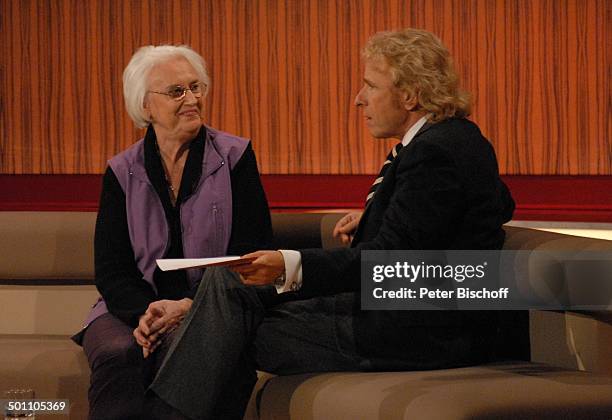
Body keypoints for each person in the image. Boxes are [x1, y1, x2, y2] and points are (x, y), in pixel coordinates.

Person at [146, 28, 515, 419]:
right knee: (228, 289)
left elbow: (388, 261)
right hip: (401, 315)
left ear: (409, 95)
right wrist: (382, 216)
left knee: (225, 326)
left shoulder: (437, 151)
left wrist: (291, 265)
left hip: (420, 334)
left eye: (370, 86)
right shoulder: (452, 139)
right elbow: (488, 206)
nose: (358, 99)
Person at [72, 45, 273, 420]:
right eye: (176, 92)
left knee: (190, 344)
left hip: (211, 307)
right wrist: (145, 312)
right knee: (121, 352)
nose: (192, 99)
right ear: (145, 106)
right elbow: (113, 269)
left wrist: (190, 307)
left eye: (196, 87)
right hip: (133, 307)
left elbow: (254, 251)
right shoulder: (121, 170)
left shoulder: (235, 157)